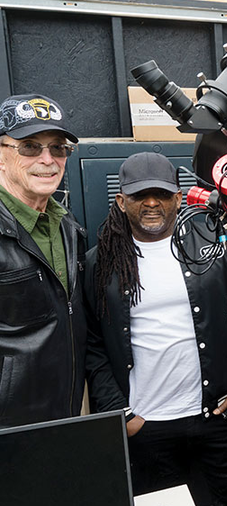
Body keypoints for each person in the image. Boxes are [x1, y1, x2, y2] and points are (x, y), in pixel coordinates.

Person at [84, 153, 227, 505]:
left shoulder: (212, 248)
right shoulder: (99, 263)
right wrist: (121, 413)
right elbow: (94, 345)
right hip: (147, 428)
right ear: (121, 201)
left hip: (219, 417)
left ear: (179, 198)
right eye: (138, 195)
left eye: (161, 194)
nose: (151, 203)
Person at [0, 93, 85, 428]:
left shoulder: (67, 227)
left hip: (62, 416)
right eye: (30, 147)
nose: (48, 159)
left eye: (59, 148)